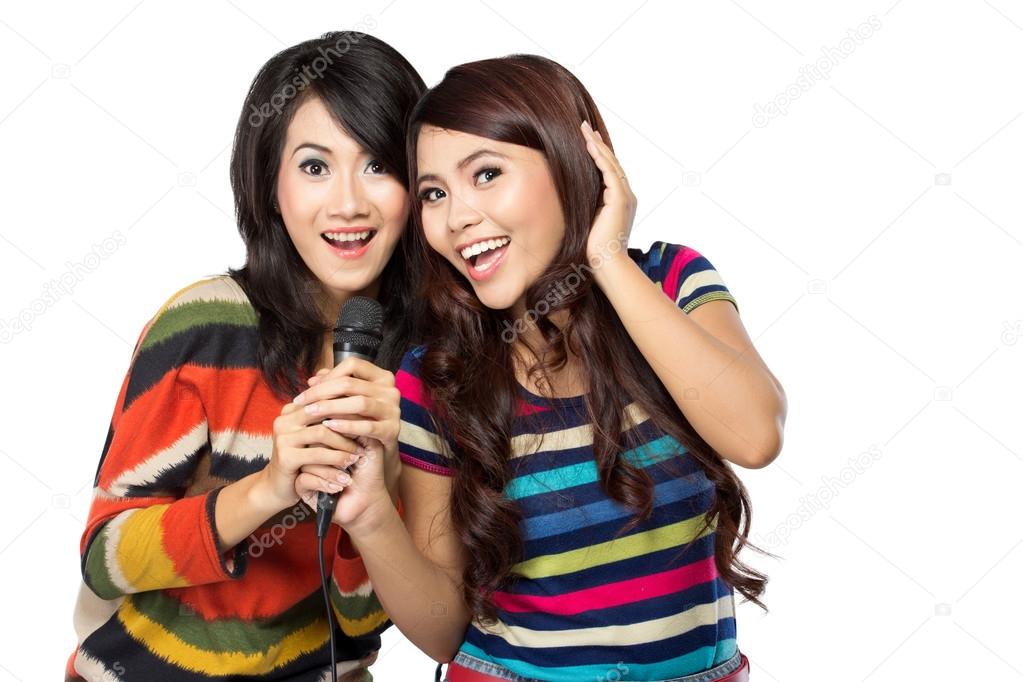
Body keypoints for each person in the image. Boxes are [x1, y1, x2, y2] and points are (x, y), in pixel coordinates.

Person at [297, 54, 787, 682]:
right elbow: (444, 632)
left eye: (487, 174)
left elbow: (755, 435)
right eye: (434, 193)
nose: (457, 217)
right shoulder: (434, 377)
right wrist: (368, 515)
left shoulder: (669, 281)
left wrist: (607, 257)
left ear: (572, 164)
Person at [66, 32, 425, 681]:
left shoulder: (425, 364)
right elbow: (105, 556)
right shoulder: (206, 327)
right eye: (315, 166)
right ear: (269, 180)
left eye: (378, 164)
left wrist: (379, 494)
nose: (348, 202)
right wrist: (266, 490)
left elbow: (371, 619)